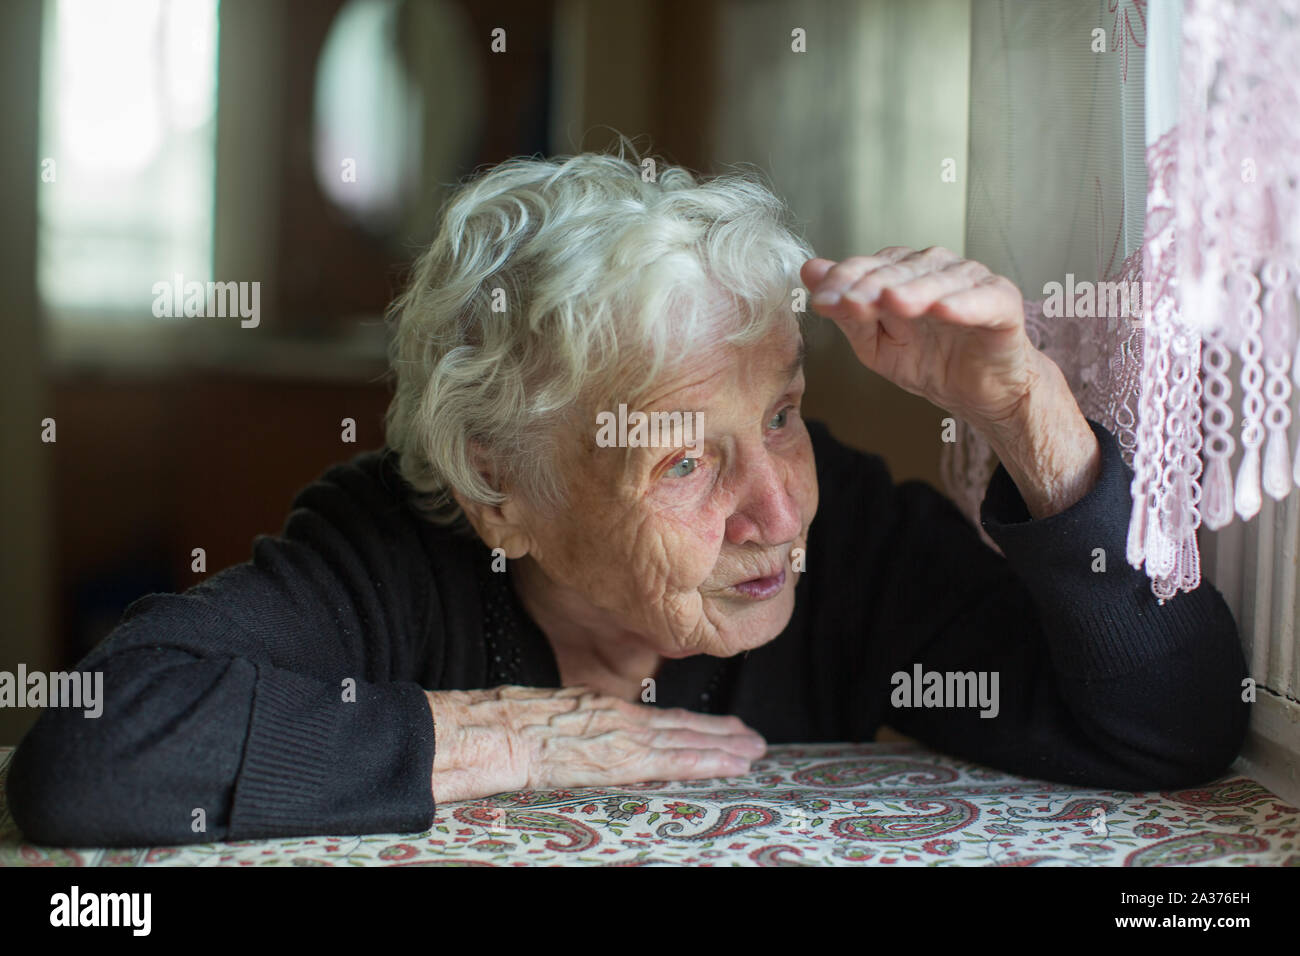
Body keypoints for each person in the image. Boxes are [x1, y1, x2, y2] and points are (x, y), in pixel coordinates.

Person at [7, 150, 1249, 847]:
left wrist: (1022, 404)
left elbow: (1172, 725)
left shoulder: (845, 538)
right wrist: (499, 735)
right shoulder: (392, 551)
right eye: (684, 459)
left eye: (780, 416)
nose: (777, 510)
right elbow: (91, 752)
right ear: (501, 487)